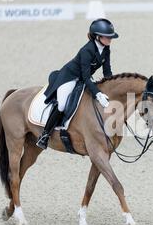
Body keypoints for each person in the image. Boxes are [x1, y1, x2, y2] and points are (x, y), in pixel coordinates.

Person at [36, 18, 119, 150]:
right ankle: (45, 135)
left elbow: (107, 71)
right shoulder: (87, 50)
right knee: (62, 104)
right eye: (107, 37)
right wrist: (97, 94)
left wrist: (111, 87)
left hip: (82, 78)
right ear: (97, 37)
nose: (110, 40)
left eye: (111, 37)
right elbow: (86, 77)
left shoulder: (106, 49)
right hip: (69, 77)